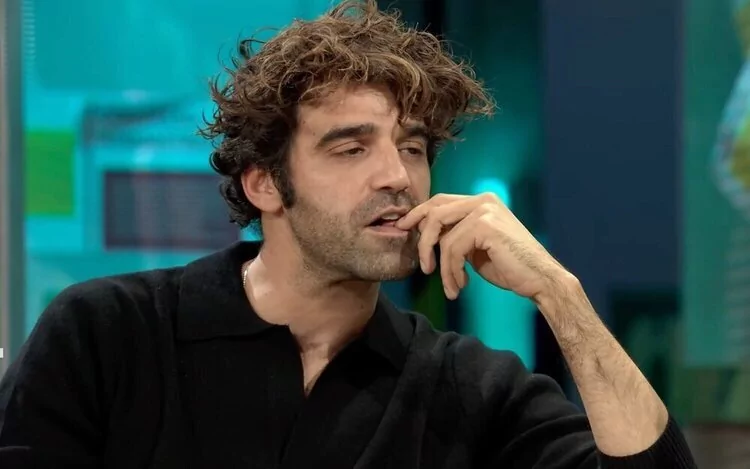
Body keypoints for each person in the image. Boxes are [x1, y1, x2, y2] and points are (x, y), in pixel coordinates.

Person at [0, 1, 697, 468]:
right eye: (351, 148)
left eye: (413, 147)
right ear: (264, 184)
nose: (398, 175)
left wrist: (560, 293)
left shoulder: (471, 388)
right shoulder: (105, 335)